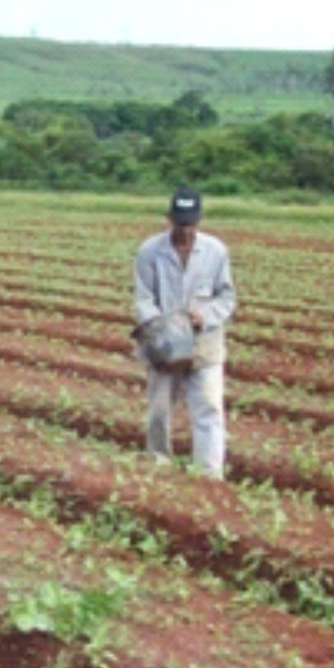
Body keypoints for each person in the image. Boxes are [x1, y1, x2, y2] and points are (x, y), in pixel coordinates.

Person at [131, 186, 237, 479]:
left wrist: (204, 316)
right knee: (159, 410)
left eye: (189, 224)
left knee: (209, 407)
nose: (184, 230)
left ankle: (209, 474)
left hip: (205, 343)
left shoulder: (216, 251)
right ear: (169, 219)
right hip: (163, 343)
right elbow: (143, 298)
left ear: (199, 220)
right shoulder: (150, 251)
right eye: (179, 223)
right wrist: (162, 326)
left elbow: (227, 297)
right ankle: (158, 465)